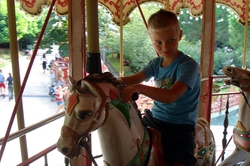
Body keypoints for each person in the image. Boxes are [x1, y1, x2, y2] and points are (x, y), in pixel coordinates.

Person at [120, 9, 200, 166]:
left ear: (180, 35)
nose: (165, 47)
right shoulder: (155, 64)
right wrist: (107, 80)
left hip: (179, 126)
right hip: (155, 118)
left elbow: (171, 96)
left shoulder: (188, 66)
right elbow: (133, 79)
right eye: (158, 42)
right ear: (151, 39)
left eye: (171, 39)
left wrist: (140, 88)